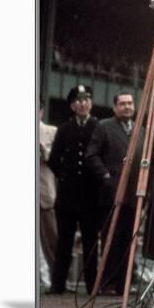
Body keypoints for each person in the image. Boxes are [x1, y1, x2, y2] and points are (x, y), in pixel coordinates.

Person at [86, 91, 144, 297]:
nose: (127, 107)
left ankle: (123, 284)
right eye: (122, 103)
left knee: (129, 241)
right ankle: (107, 283)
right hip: (111, 195)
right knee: (112, 239)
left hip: (134, 196)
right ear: (115, 107)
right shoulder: (104, 127)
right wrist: (106, 177)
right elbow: (91, 155)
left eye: (130, 103)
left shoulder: (141, 130)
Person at [48, 85, 99, 295]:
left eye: (86, 99)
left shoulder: (99, 126)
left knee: (90, 243)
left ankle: (91, 286)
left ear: (91, 103)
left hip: (90, 195)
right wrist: (66, 177)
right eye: (78, 100)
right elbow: (53, 161)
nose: (83, 103)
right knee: (64, 243)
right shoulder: (64, 129)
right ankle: (58, 285)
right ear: (72, 105)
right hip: (68, 196)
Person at [39, 99, 58, 279]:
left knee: (51, 238)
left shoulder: (51, 132)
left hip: (44, 193)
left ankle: (56, 277)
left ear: (41, 111)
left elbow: (55, 158)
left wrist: (41, 147)